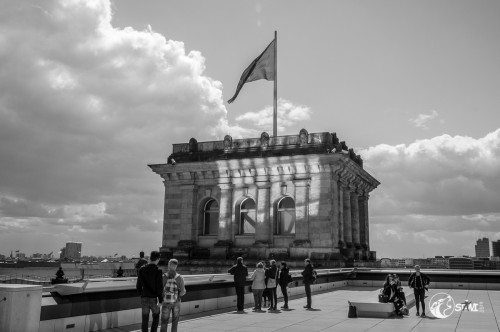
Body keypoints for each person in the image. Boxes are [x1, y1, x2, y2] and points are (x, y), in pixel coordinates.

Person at [136, 251, 163, 332]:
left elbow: (138, 285)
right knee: (156, 317)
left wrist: (141, 294)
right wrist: (160, 300)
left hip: (144, 297)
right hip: (153, 298)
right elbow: (159, 287)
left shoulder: (142, 269)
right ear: (158, 259)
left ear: (150, 258)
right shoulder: (158, 271)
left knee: (145, 320)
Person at [160, 259, 186, 332]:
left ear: (169, 265)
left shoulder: (164, 276)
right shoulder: (180, 277)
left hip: (166, 302)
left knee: (164, 321)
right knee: (175, 321)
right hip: (176, 302)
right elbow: (183, 292)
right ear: (176, 266)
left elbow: (160, 290)